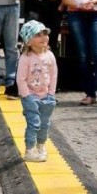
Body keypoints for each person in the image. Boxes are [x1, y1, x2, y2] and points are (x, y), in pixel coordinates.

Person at [17, 20, 57, 163]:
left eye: (44, 34)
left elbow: (53, 75)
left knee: (45, 123)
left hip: (46, 96)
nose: (43, 37)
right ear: (28, 42)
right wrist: (27, 96)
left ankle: (41, 145)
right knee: (34, 123)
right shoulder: (25, 58)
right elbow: (20, 79)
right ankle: (29, 149)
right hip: (31, 96)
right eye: (38, 35)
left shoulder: (50, 56)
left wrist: (51, 93)